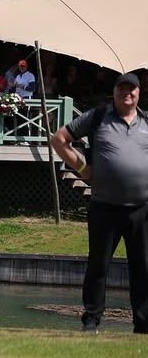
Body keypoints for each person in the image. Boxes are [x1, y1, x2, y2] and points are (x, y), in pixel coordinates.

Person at [50, 72, 148, 334]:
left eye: (132, 89)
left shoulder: (147, 121)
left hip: (141, 209)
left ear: (139, 93)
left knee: (143, 267)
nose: (127, 93)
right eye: (122, 88)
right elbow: (59, 139)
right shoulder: (98, 117)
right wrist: (83, 168)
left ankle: (143, 323)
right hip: (104, 206)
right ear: (114, 92)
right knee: (98, 265)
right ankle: (92, 319)